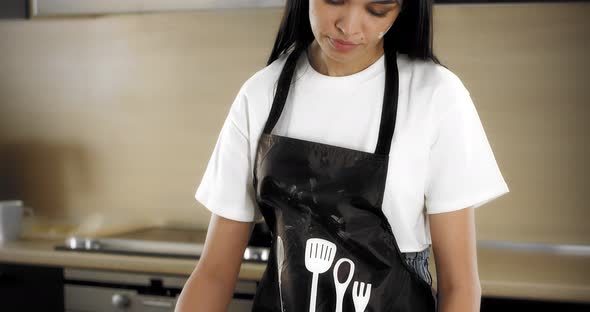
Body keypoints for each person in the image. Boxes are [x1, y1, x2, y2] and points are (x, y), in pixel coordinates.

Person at [175, 0, 509, 311]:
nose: (349, 26)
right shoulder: (261, 94)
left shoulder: (436, 97)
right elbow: (214, 273)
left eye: (377, 9)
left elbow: (461, 287)